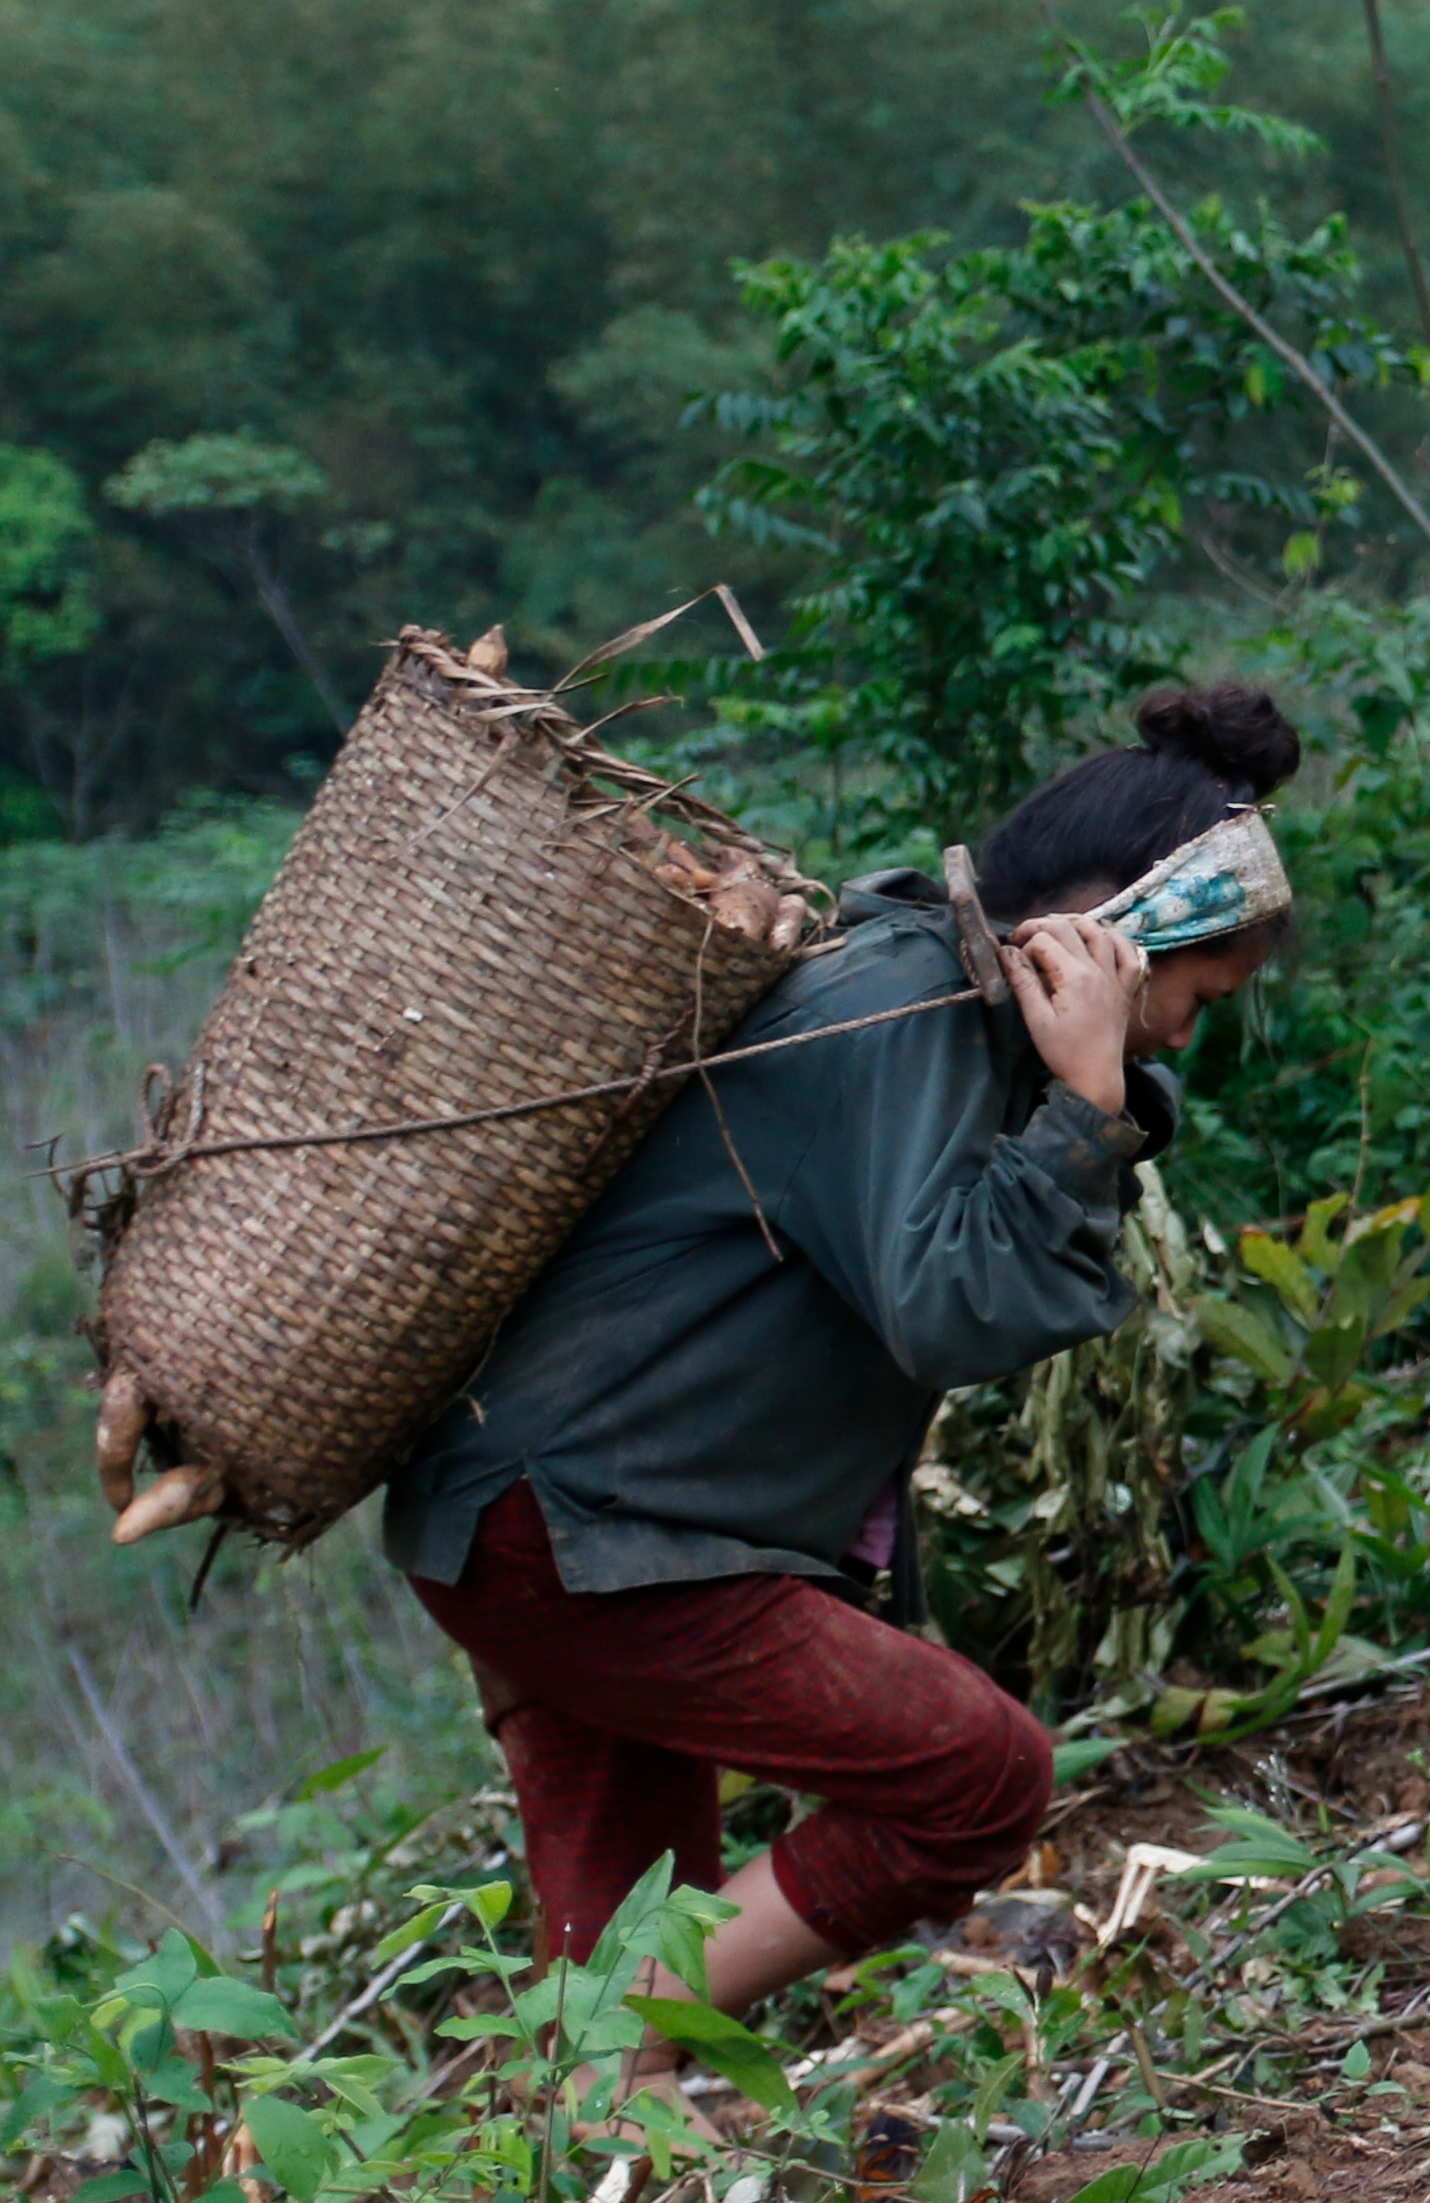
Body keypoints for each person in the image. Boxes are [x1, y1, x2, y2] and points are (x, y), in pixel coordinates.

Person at [378, 683, 1306, 2041]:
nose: (1179, 1031)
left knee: (639, 1923)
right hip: (585, 1528)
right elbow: (949, 1310)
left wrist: (1088, 1095)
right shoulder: (900, 1013)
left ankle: (586, 2148)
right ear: (1119, 935)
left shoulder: (936, 1005)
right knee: (977, 1779)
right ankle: (612, 2027)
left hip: (566, 1520)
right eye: (1190, 992)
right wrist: (1089, 1103)